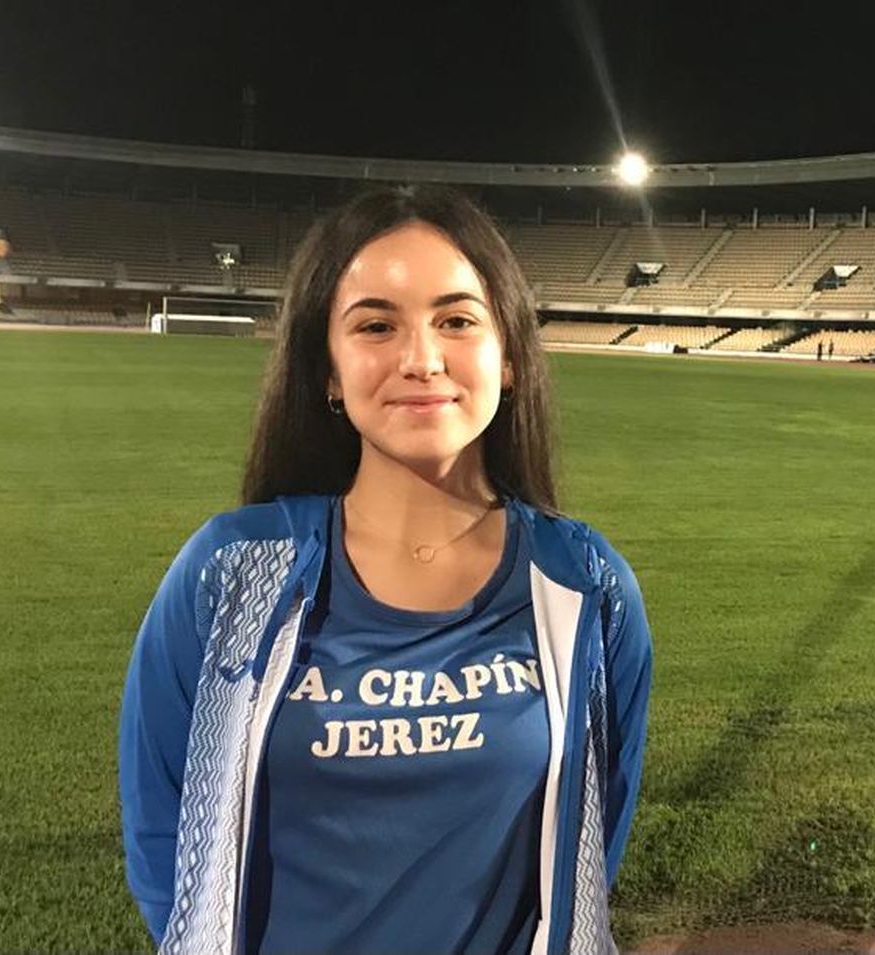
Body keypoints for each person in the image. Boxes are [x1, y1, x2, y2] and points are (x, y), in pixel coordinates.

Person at [119, 185, 652, 955]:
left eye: (458, 320)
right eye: (376, 324)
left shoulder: (585, 584)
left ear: (508, 360)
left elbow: (592, 840)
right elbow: (164, 839)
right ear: (329, 371)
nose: (422, 358)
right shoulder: (229, 572)